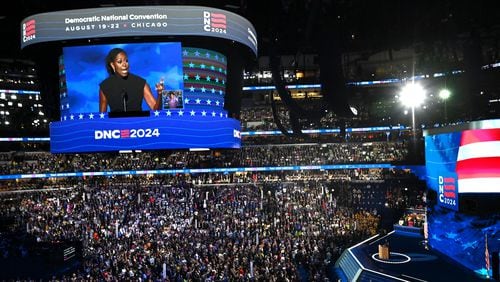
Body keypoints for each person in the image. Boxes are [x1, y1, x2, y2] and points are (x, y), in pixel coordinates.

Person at [99, 48, 163, 112]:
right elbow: (101, 117)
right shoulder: (105, 86)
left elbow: (156, 110)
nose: (124, 65)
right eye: (119, 62)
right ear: (112, 65)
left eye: (126, 61)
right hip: (116, 122)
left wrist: (160, 94)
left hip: (137, 121)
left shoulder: (140, 83)